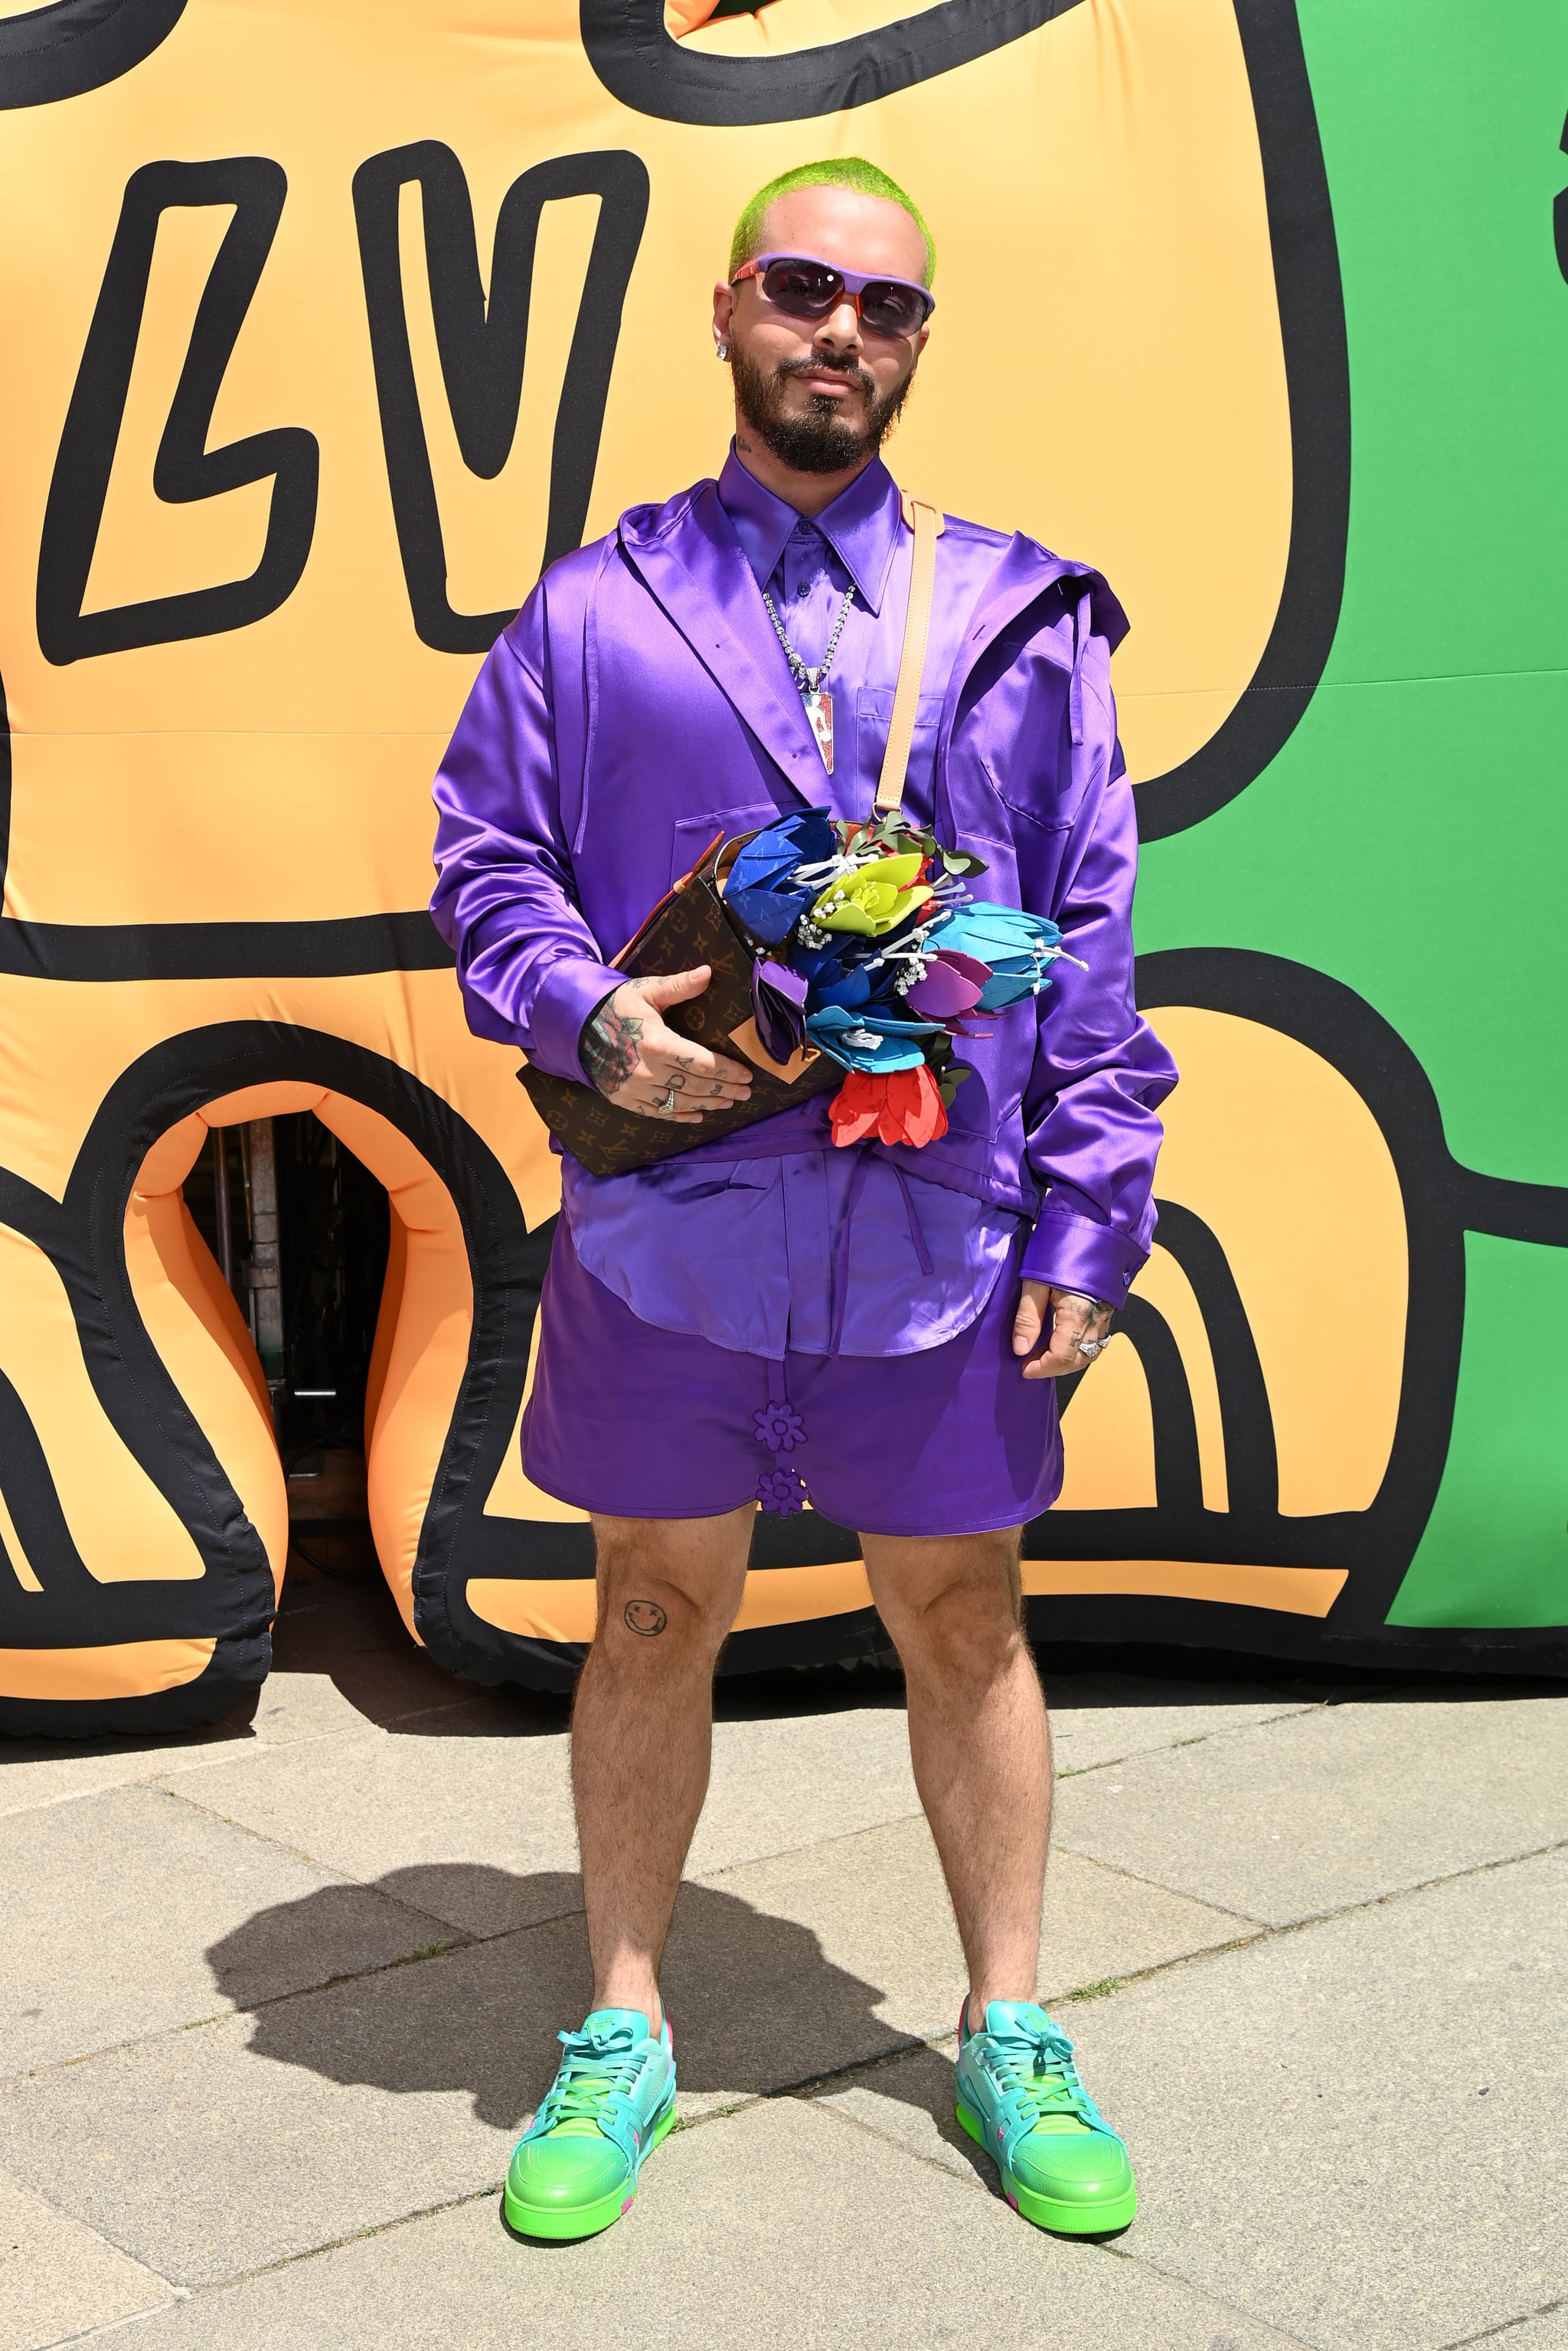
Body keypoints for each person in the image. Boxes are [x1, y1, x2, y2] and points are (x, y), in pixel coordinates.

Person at [430, 158, 1177, 2244]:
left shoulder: (1015, 610)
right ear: (730, 307)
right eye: (803, 286)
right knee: (653, 1608)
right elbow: (485, 856)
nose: (842, 328)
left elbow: (1092, 924)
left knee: (968, 1614)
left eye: (887, 304)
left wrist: (1094, 1215)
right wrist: (581, 1012)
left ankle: (1012, 2025)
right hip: (672, 1229)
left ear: (918, 343)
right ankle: (626, 2023)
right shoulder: (594, 609)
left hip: (935, 1235)